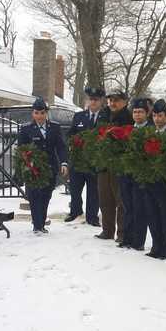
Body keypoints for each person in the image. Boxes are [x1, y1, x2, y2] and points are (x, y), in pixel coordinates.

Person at [17, 97, 69, 234]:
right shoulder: (26, 129)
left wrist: (64, 162)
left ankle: (41, 221)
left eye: (42, 113)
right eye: (36, 113)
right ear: (33, 114)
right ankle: (37, 225)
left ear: (46, 113)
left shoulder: (55, 128)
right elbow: (21, 149)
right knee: (34, 196)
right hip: (32, 168)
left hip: (50, 167)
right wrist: (27, 162)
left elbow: (61, 147)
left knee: (46, 195)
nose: (39, 116)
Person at [95, 88, 134, 241]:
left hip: (119, 164)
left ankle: (122, 233)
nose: (113, 103)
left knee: (121, 200)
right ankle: (107, 230)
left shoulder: (128, 117)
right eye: (110, 100)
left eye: (116, 100)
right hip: (104, 164)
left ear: (124, 101)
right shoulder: (103, 114)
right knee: (105, 199)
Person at [66, 86, 105, 226]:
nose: (93, 102)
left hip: (95, 160)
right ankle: (75, 211)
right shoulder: (79, 116)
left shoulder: (105, 117)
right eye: (91, 99)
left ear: (101, 101)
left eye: (96, 100)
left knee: (94, 190)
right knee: (75, 188)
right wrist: (74, 140)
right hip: (78, 159)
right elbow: (70, 134)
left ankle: (92, 216)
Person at [118, 97, 151, 251]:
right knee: (127, 207)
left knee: (139, 208)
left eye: (141, 112)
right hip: (126, 174)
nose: (137, 115)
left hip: (141, 175)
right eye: (135, 112)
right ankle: (127, 237)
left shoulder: (150, 130)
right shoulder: (128, 129)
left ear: (147, 113)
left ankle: (138, 241)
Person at [145, 99, 166, 259]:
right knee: (152, 215)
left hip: (165, 183)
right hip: (150, 181)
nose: (157, 119)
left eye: (160, 115)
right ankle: (156, 245)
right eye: (155, 115)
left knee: (165, 215)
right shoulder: (149, 134)